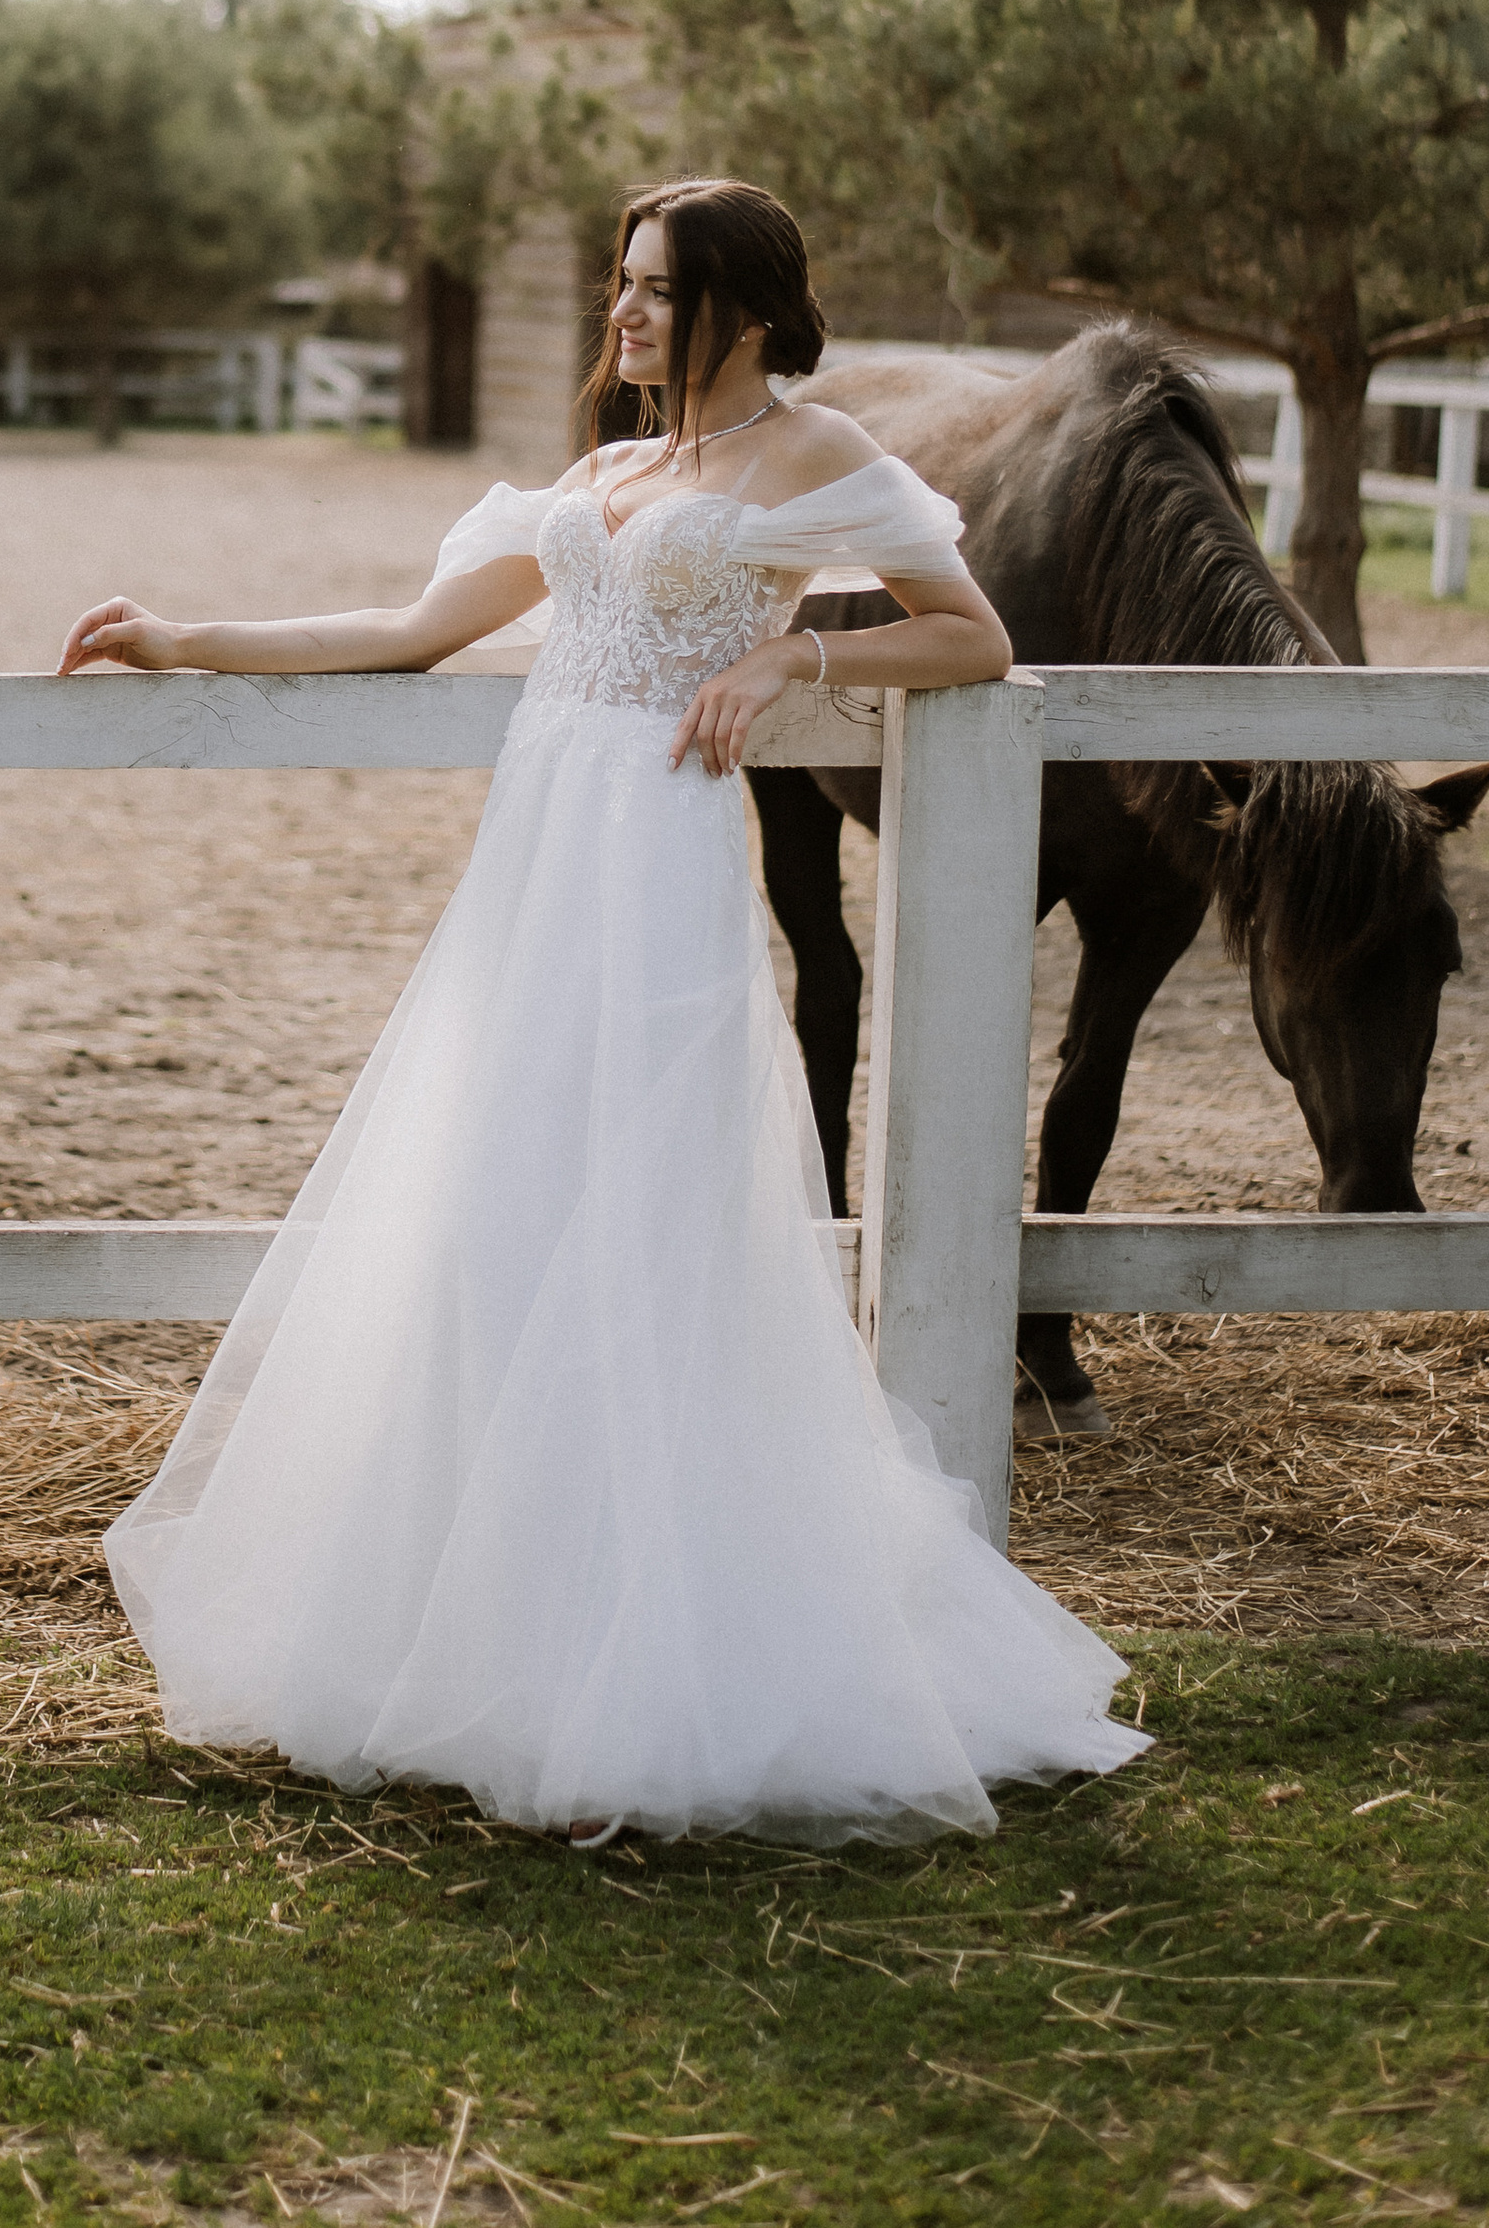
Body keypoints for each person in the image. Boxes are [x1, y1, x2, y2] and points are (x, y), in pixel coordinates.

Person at [57, 177, 1145, 1845]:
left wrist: (799, 661)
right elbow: (418, 630)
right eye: (620, 286)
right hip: (534, 884)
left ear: (749, 311)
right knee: (499, 1219)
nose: (622, 316)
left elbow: (973, 636)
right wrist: (185, 633)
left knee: (647, 1235)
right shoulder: (604, 474)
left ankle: (656, 1648)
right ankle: (488, 1617)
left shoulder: (812, 459)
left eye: (654, 289)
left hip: (659, 885)